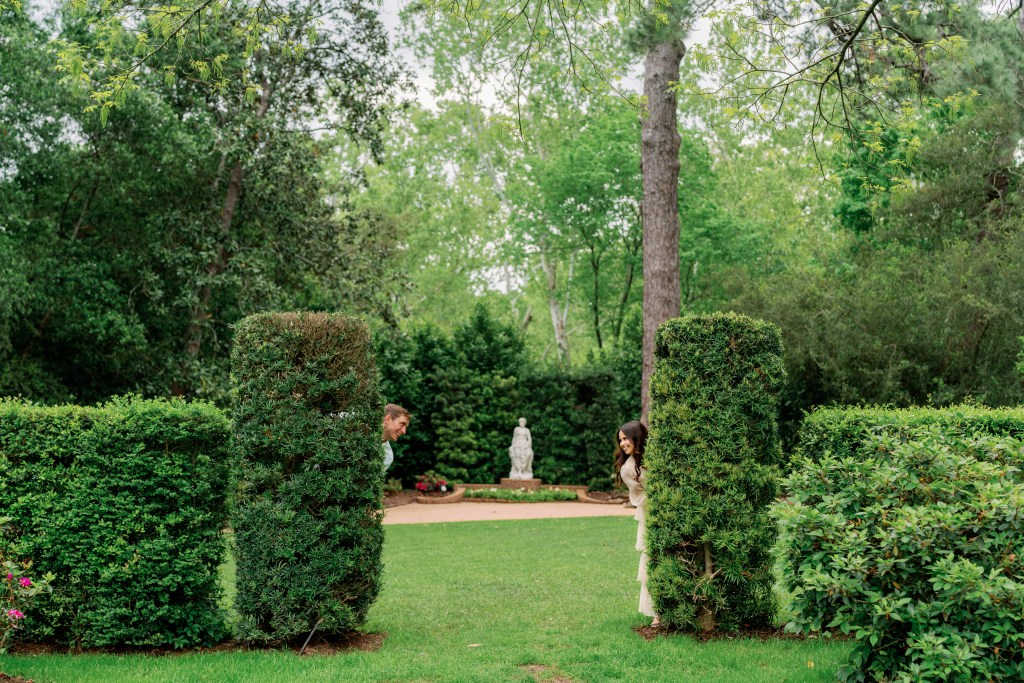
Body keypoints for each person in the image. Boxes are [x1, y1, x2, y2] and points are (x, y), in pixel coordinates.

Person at [614, 420, 660, 628]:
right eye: (620, 440)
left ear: (638, 437)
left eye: (626, 438)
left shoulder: (653, 458)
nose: (623, 443)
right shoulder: (628, 468)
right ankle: (657, 612)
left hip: (666, 511)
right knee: (653, 559)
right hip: (650, 516)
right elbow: (639, 498)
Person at [381, 403, 411, 472]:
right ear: (387, 419)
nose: (404, 431)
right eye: (402, 424)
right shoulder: (358, 428)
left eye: (405, 427)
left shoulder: (387, 455)